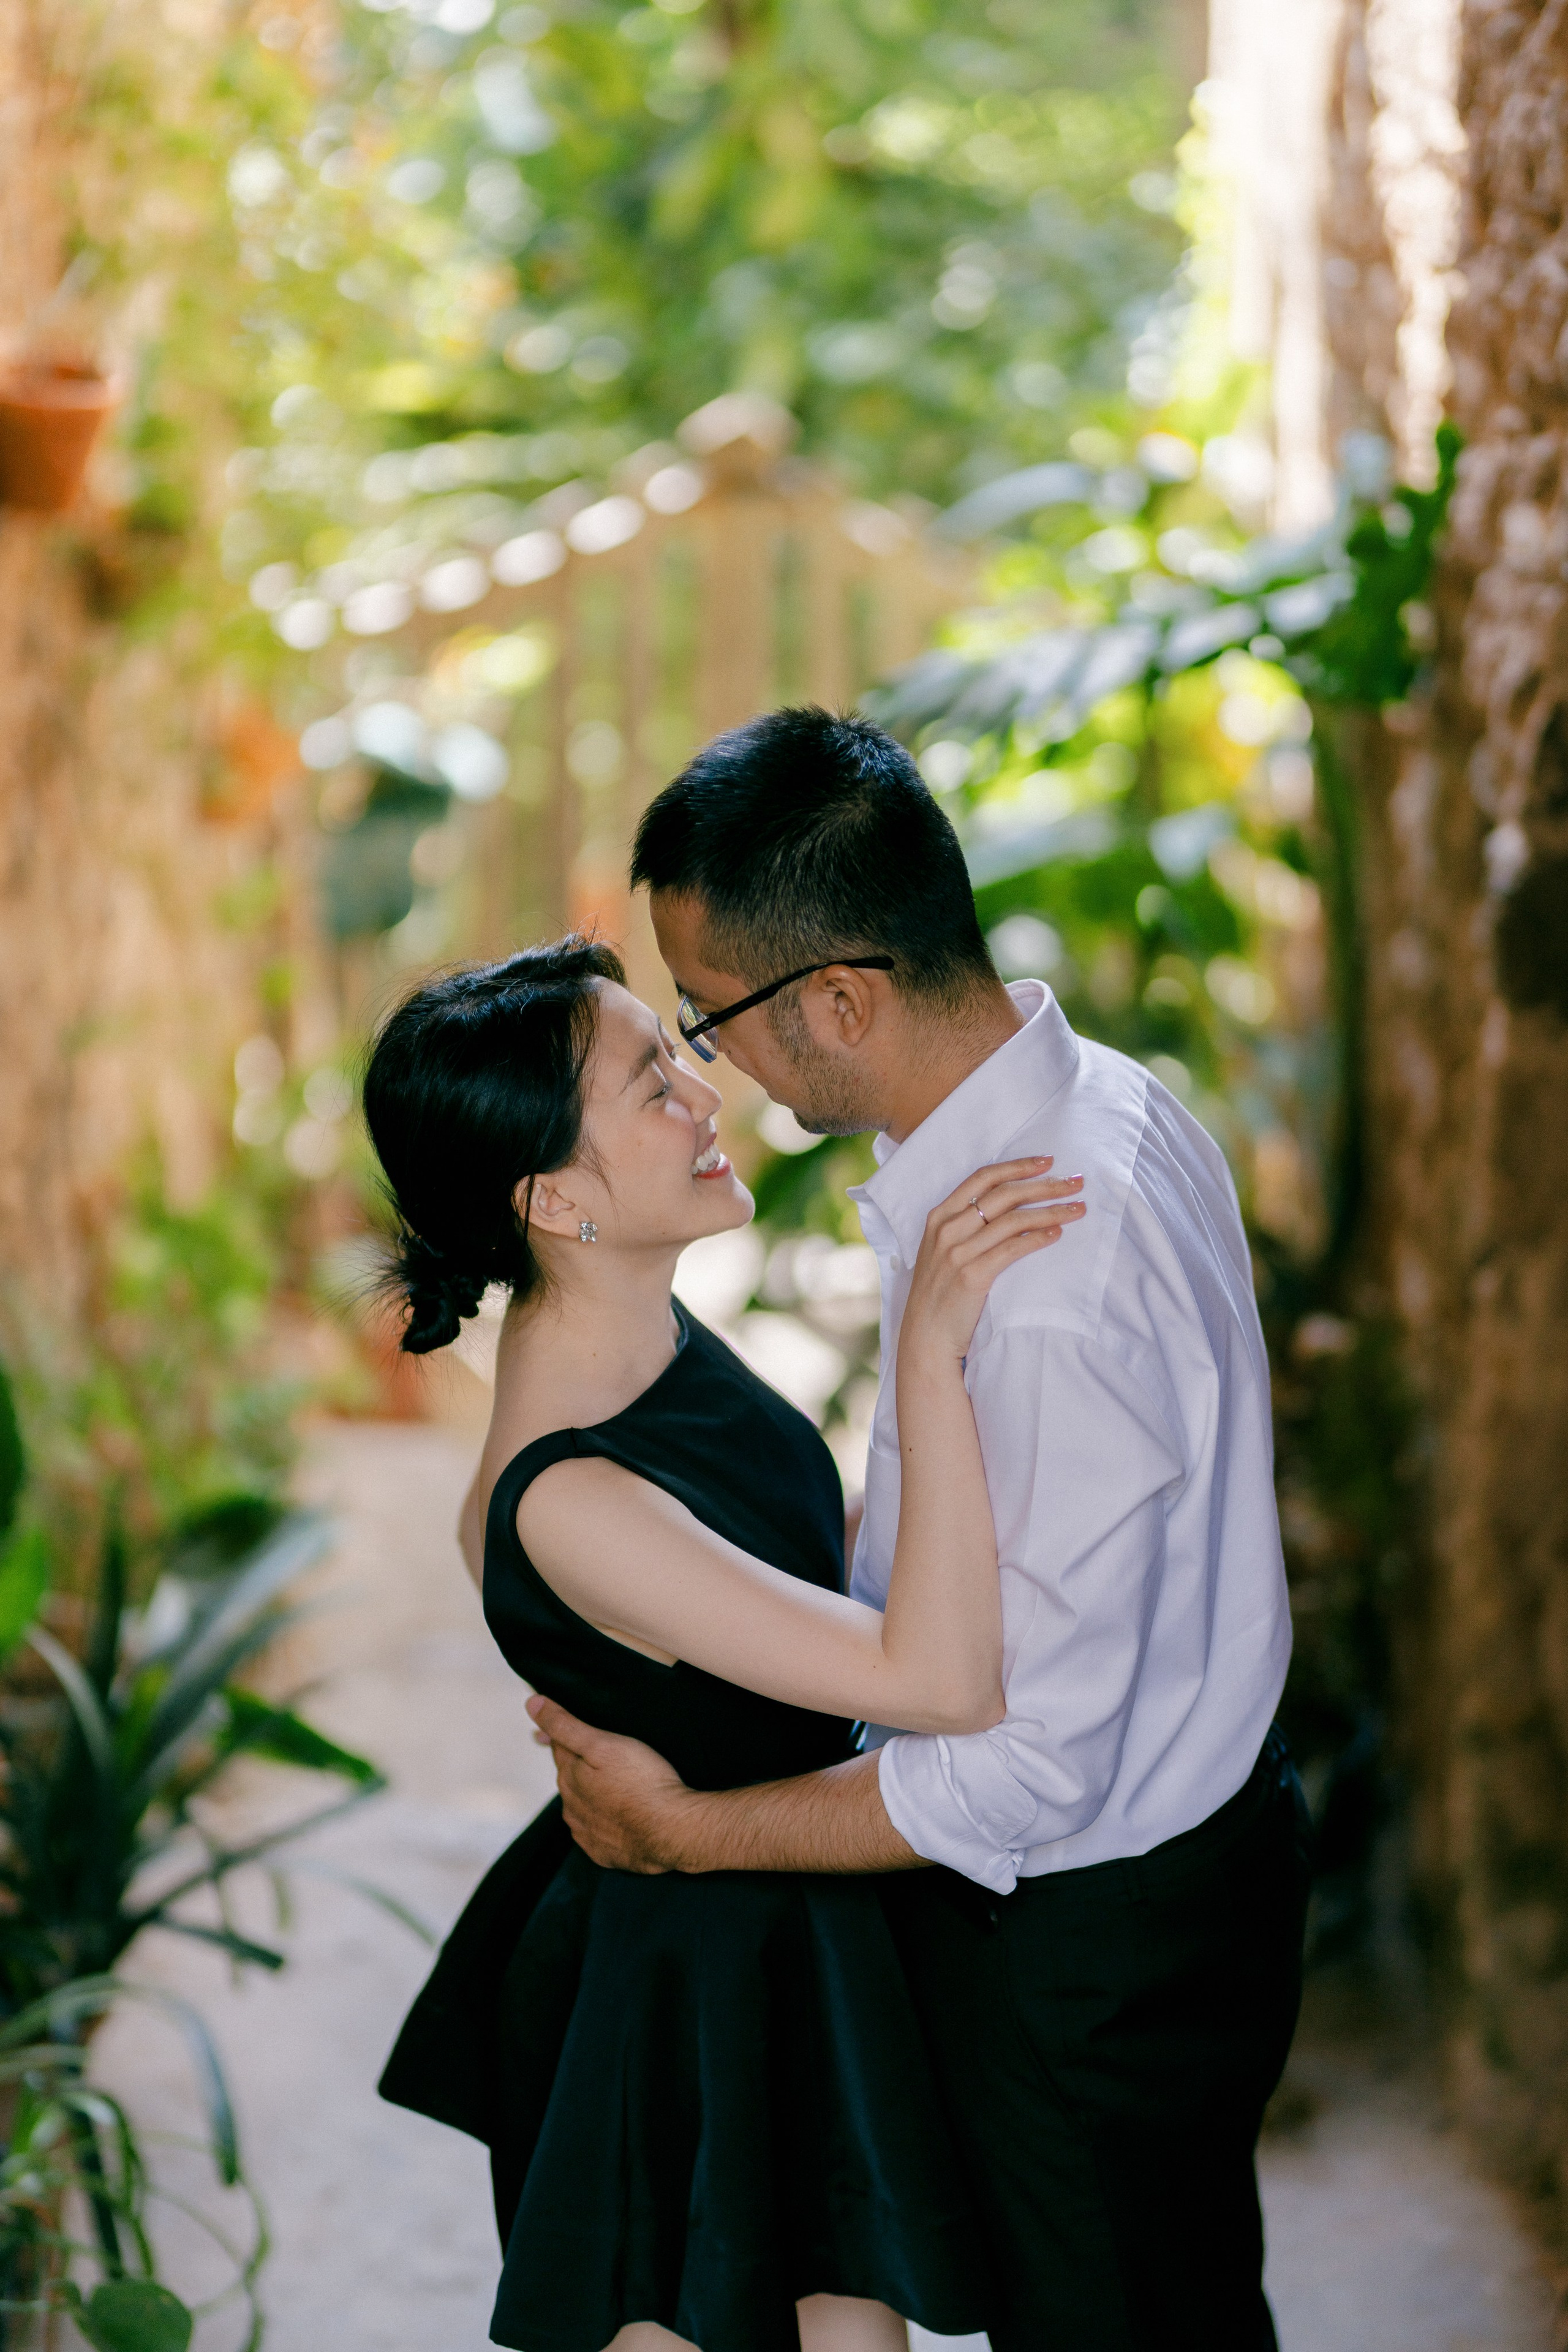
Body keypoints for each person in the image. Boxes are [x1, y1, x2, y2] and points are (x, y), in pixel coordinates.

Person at [529, 706, 1313, 2352]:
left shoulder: (1037, 1270)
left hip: (1093, 1941)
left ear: (838, 999)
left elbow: (1029, 1771)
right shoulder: (1088, 1106)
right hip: (1196, 1854)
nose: (707, 1059)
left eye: (708, 1012)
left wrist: (696, 1832)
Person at [363, 931, 1088, 2352]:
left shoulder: (612, 1341)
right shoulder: (575, 1487)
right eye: (651, 1085)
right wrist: (927, 1344)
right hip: (693, 1990)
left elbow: (500, 1540)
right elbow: (935, 1684)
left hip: (768, 1920)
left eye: (675, 1053)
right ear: (555, 1200)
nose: (704, 1094)